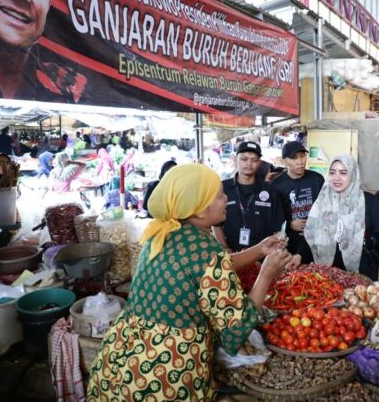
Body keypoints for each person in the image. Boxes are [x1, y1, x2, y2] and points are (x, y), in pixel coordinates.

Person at [86, 164, 294, 401]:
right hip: (167, 374)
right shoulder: (205, 251)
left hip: (120, 363)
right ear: (199, 211)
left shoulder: (161, 235)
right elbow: (236, 331)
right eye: (219, 196)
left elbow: (204, 269)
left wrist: (258, 250)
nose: (226, 198)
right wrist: (266, 273)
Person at [304, 155, 379, 281]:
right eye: (332, 172)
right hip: (326, 272)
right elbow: (310, 233)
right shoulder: (322, 201)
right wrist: (298, 255)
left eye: (343, 173)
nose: (337, 178)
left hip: (361, 270)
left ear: (353, 174)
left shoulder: (368, 201)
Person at [213, 142, 285, 253]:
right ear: (235, 159)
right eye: (244, 159)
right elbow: (216, 224)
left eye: (254, 160)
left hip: (263, 257)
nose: (249, 163)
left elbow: (278, 229)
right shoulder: (223, 188)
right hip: (233, 255)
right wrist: (225, 248)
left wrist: (280, 243)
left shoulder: (271, 192)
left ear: (260, 163)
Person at [270, 141, 325, 263]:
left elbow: (326, 209)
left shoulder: (317, 179)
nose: (300, 162)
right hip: (290, 244)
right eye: (294, 158)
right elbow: (272, 217)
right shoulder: (276, 185)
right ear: (284, 161)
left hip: (316, 241)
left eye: (302, 156)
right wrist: (290, 224)